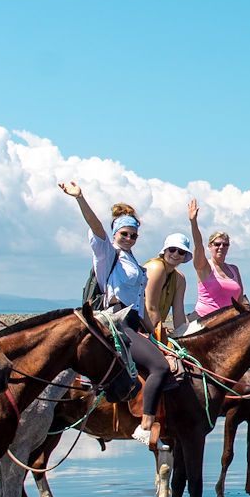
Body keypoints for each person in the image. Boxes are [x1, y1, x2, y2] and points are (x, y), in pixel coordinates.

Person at [59, 181, 179, 444]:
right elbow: (95, 227)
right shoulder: (106, 254)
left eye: (133, 235)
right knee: (158, 366)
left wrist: (156, 331)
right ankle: (146, 425)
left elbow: (141, 305)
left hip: (134, 323)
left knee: (171, 359)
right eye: (124, 234)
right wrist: (80, 198)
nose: (128, 239)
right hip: (116, 323)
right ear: (115, 233)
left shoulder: (133, 260)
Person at [187, 199, 250, 325]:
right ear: (210, 246)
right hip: (204, 321)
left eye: (225, 244)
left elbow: (239, 299)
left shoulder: (234, 269)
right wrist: (193, 222)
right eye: (217, 244)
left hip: (227, 322)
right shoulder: (204, 266)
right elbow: (198, 245)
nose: (221, 247)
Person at [144, 232, 194, 337]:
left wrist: (184, 336)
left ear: (185, 256)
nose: (175, 254)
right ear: (165, 251)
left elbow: (178, 314)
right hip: (140, 327)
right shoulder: (157, 267)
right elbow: (151, 308)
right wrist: (161, 337)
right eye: (172, 249)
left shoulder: (180, 279)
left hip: (154, 329)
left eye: (181, 252)